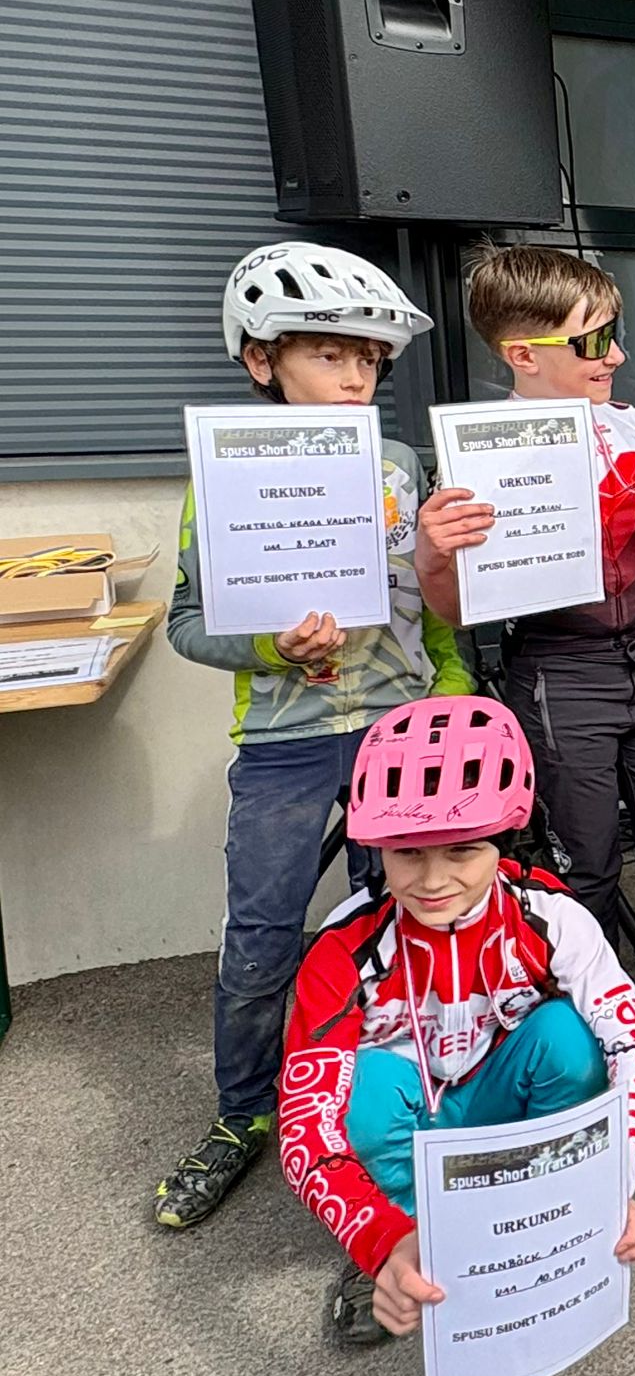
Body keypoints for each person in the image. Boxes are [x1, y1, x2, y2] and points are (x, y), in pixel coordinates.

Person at [154, 241, 471, 1232]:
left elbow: (434, 614)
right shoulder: (221, 474)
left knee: (402, 922)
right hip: (285, 739)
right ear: (262, 361)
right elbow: (184, 623)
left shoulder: (399, 465)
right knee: (260, 936)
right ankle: (242, 1112)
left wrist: (453, 691)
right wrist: (271, 645)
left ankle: (403, 1093)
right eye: (330, 354)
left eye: (369, 359)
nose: (355, 377)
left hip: (395, 730)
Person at [278, 696, 635, 1343]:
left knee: (569, 1040)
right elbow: (305, 1129)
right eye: (407, 853)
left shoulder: (551, 914)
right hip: (409, 1121)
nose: (433, 881)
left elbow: (634, 1045)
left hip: (505, 1100)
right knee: (362, 1094)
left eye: (462, 850)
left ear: (504, 841)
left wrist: (608, 1181)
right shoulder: (342, 947)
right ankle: (414, 1241)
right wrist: (380, 1239)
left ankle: (547, 1215)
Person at [418, 243, 635, 970]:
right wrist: (432, 556)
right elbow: (455, 612)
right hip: (560, 671)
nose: (617, 356)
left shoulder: (630, 424)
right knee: (584, 863)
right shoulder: (478, 452)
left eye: (615, 334)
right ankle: (588, 1001)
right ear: (523, 355)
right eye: (594, 342)